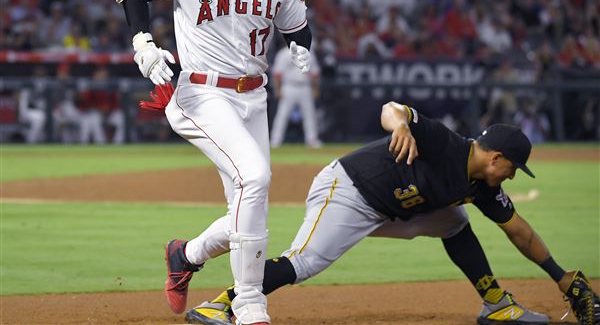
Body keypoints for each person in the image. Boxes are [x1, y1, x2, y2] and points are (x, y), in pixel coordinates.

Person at [186, 102, 600, 325]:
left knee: (456, 223)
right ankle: (222, 304)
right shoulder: (444, 142)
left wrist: (559, 274)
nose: (511, 177)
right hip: (350, 190)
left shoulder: (483, 186)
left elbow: (520, 232)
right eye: (513, 168)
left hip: (399, 210)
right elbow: (392, 107)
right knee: (305, 262)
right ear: (497, 159)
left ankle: (497, 304)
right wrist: (400, 125)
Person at [115, 0, 312, 325]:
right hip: (200, 94)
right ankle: (248, 302)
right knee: (255, 178)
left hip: (254, 98)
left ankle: (185, 255)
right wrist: (143, 43)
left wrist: (302, 47)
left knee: (249, 206)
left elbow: (297, 26)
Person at [269, 43, 321, 148]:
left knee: (309, 114)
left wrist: (315, 88)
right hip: (288, 86)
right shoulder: (283, 53)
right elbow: (277, 73)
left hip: (305, 86)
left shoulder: (308, 53)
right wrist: (278, 89)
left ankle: (312, 140)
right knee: (282, 115)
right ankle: (275, 141)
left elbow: (315, 73)